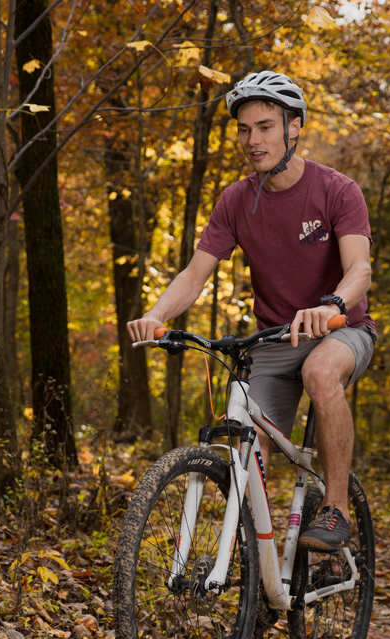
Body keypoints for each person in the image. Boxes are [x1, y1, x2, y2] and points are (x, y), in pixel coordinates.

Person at [126, 71, 376, 552]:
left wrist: (331, 305)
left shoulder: (337, 190)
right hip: (275, 340)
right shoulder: (237, 200)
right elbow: (194, 275)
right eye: (244, 129)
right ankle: (255, 576)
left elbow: (360, 270)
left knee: (322, 374)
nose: (252, 140)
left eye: (264, 126)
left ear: (294, 126)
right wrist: (157, 314)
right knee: (246, 444)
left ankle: (336, 510)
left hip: (342, 329)